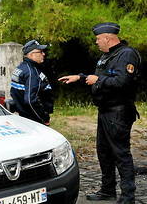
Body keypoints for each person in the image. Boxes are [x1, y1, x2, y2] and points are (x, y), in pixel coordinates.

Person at [59, 22, 141, 204]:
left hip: (118, 112)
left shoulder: (126, 54)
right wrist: (80, 77)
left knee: (121, 153)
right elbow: (101, 76)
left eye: (98, 39)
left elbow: (123, 82)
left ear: (107, 38)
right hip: (105, 111)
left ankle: (128, 197)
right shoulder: (107, 56)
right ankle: (107, 190)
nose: (96, 42)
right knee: (104, 152)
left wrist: (99, 80)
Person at [10, 40, 54, 125]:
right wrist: (43, 117)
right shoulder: (31, 72)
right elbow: (30, 101)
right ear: (31, 54)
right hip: (33, 119)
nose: (43, 54)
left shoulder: (22, 67)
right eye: (40, 52)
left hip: (24, 117)